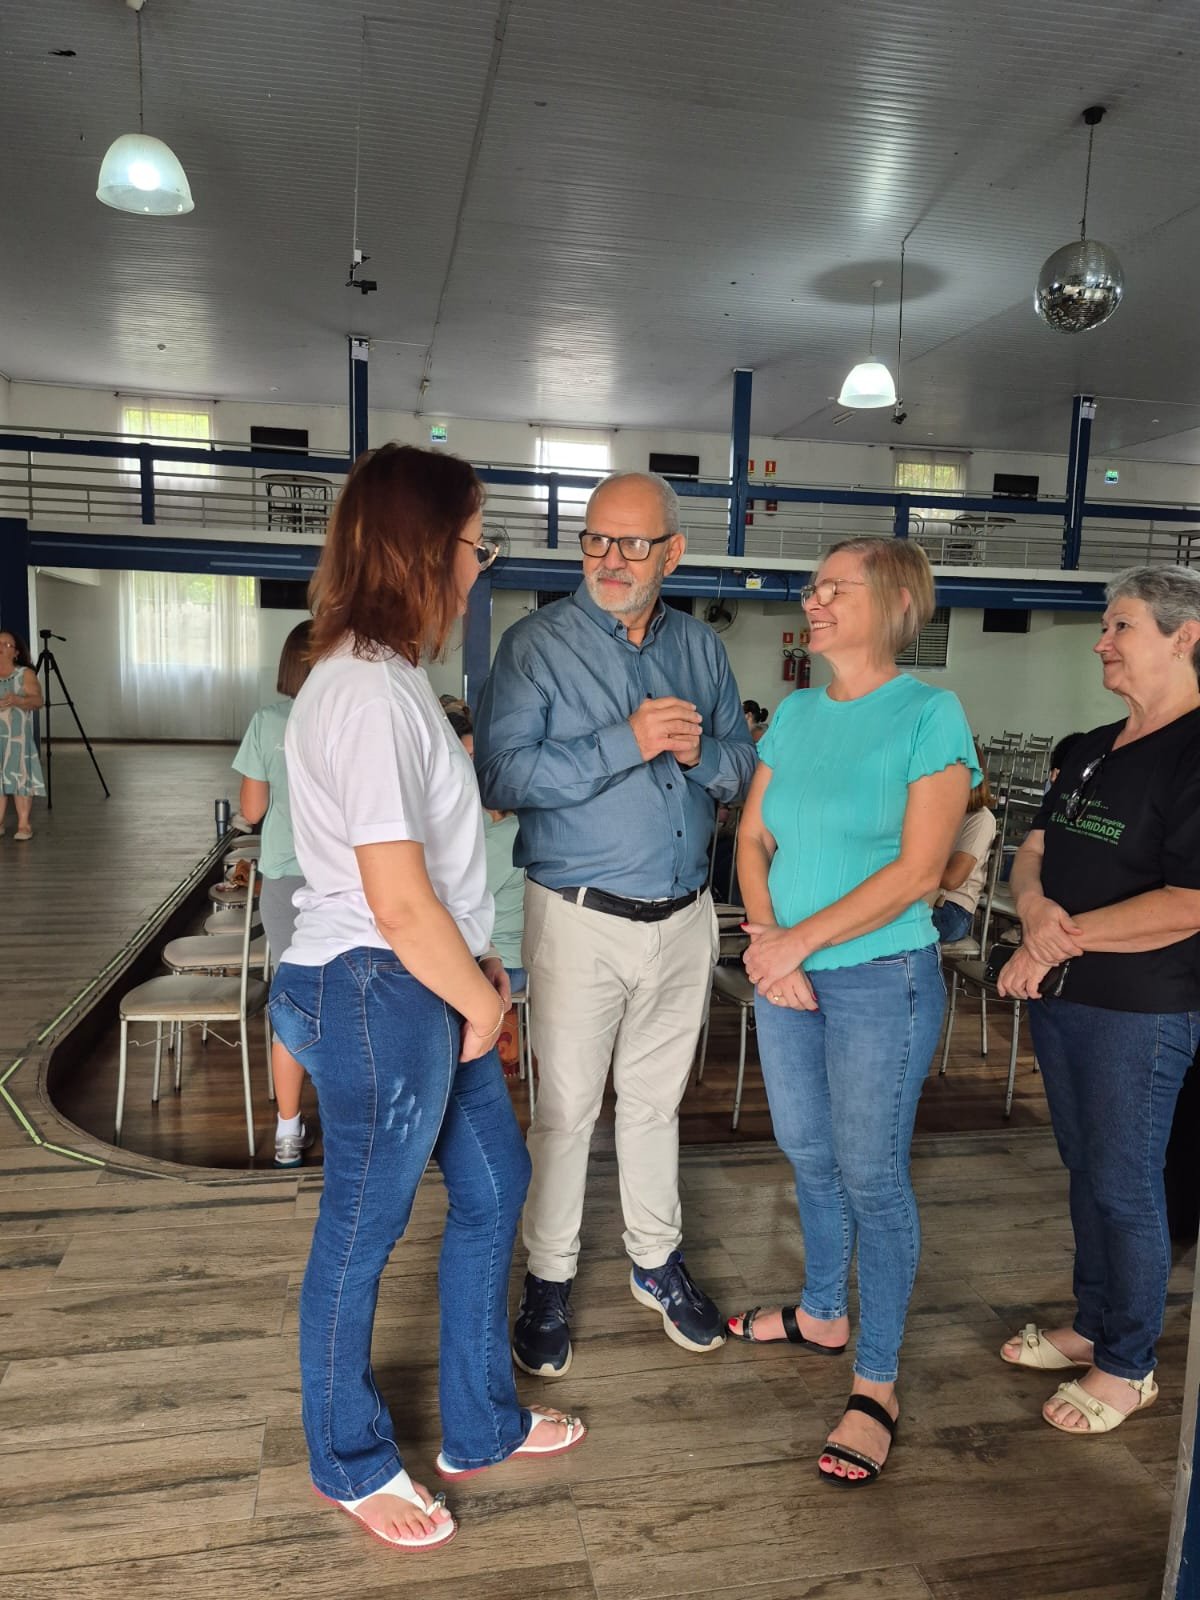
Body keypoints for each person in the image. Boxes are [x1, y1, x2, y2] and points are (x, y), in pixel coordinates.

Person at [268, 444, 584, 1553]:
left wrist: (478, 967)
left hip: (427, 979)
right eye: (474, 546)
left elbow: (433, 884)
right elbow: (396, 900)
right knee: (361, 1232)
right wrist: (487, 1009)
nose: (478, 568)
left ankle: (481, 1424)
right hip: (377, 986)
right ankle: (346, 1460)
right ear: (423, 551)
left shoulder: (391, 676)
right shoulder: (362, 689)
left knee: (495, 1185)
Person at [475, 470, 757, 1375]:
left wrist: (700, 753)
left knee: (654, 1102)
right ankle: (548, 1276)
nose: (610, 559)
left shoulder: (701, 651)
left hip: (685, 916)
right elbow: (501, 776)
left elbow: (743, 767)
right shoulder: (534, 646)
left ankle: (655, 1261)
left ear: (673, 552)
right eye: (596, 539)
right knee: (564, 1112)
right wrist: (624, 743)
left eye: (633, 543)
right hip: (578, 916)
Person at [727, 536, 978, 1487]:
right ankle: (823, 1312)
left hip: (880, 979)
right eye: (813, 585)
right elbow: (751, 837)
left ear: (896, 603)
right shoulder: (794, 712)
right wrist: (767, 939)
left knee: (872, 1174)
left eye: (836, 587)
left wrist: (794, 943)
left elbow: (919, 872)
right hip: (786, 977)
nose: (814, 599)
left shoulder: (930, 713)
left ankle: (877, 1382)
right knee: (808, 1153)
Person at [997, 565, 1200, 1436]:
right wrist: (1034, 912)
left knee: (1126, 1183)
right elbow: (1033, 850)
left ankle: (1129, 1362)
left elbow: (1189, 904)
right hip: (1066, 994)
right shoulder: (1091, 746)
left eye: (1121, 626)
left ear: (1185, 636)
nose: (1102, 642)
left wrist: (1053, 939)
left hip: (1140, 1010)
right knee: (1086, 1170)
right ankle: (1092, 1323)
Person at [233, 621, 317, 1167]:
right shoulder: (352, 717)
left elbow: (252, 811)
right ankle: (352, 1120)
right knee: (348, 996)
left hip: (286, 878)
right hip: (348, 879)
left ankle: (288, 1129)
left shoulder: (268, 722)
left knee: (292, 1000)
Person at [930, 746, 996, 943]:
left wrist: (909, 868)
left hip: (951, 910)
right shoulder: (939, 811)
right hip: (926, 898)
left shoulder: (981, 819)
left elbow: (952, 879)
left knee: (880, 923)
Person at [0, 630, 45, 842]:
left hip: (17, 738)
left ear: (16, 652)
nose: (1, 647)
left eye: (6, 644)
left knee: (20, 778)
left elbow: (37, 701)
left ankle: (24, 824)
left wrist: (19, 700)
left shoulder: (25, 674)